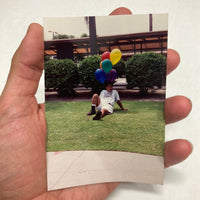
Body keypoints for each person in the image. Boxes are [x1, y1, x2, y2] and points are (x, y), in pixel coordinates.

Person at [0, 7, 193, 200]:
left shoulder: (115, 93)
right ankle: (94, 110)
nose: (109, 87)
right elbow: (101, 92)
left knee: (107, 109)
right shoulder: (102, 90)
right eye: (108, 85)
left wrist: (123, 108)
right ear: (106, 84)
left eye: (110, 85)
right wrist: (98, 101)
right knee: (94, 96)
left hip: (108, 108)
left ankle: (100, 115)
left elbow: (118, 103)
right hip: (100, 103)